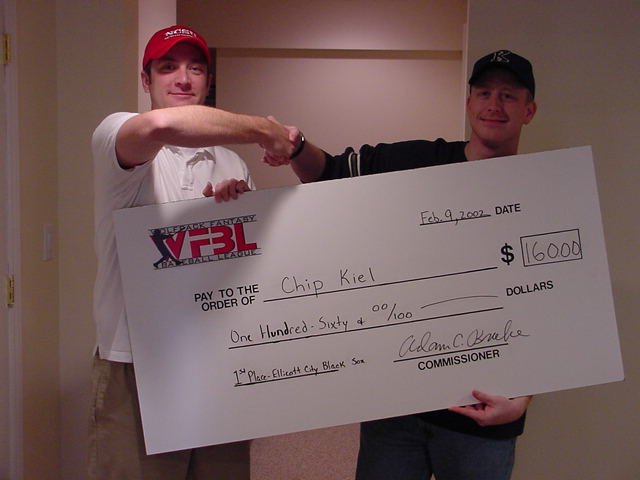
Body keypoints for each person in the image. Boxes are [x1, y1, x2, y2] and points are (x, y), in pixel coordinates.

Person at [262, 50, 538, 480]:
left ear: (529, 110)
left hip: (484, 415)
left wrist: (525, 398)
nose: (494, 105)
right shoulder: (415, 162)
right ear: (469, 103)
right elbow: (329, 173)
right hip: (395, 409)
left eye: (508, 95)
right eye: (484, 93)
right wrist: (296, 146)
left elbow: (553, 304)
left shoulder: (544, 195)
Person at [90, 25, 294, 479]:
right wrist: (266, 129)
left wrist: (235, 215)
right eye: (168, 67)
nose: (183, 78)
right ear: (146, 80)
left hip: (216, 356)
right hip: (138, 359)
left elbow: (246, 268)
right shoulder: (117, 134)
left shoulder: (231, 162)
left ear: (208, 80)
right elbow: (162, 125)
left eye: (195, 68)